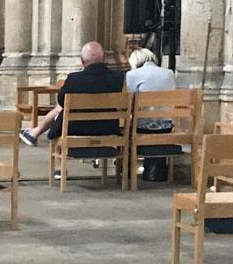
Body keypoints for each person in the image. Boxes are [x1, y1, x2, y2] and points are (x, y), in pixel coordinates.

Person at [19, 41, 125, 147]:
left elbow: (61, 100)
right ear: (104, 58)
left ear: (82, 61)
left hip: (76, 129)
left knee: (62, 107)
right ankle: (34, 133)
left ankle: (51, 153)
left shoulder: (75, 79)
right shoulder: (118, 78)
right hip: (108, 128)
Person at [126, 46, 178, 181]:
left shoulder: (132, 75)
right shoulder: (169, 73)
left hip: (144, 127)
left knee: (128, 128)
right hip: (166, 126)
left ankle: (127, 172)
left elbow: (129, 101)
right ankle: (156, 171)